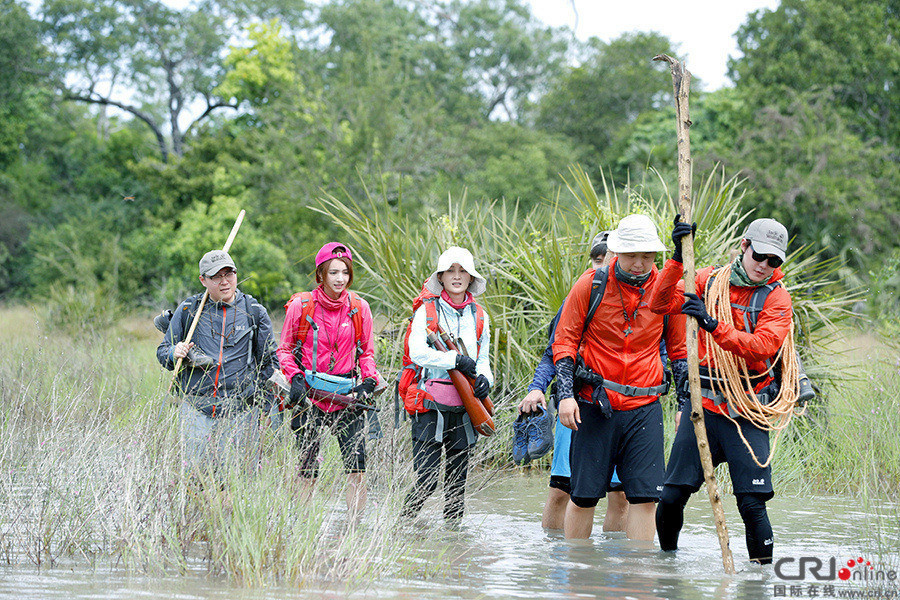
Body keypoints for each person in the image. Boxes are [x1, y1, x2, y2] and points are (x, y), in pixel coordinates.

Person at [650, 217, 794, 564]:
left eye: (774, 261)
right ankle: (667, 570)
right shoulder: (707, 280)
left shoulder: (777, 299)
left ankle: (760, 581)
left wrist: (713, 325)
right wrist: (676, 259)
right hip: (705, 408)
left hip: (748, 410)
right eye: (759, 255)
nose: (764, 266)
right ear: (744, 246)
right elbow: (659, 304)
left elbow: (762, 346)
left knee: (751, 504)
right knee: (671, 497)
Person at [552, 215, 686, 542]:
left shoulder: (668, 291)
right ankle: (578, 574)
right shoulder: (591, 284)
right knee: (583, 496)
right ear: (616, 253)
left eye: (647, 256)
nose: (639, 264)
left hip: (645, 406)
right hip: (595, 404)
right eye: (631, 256)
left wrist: (685, 403)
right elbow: (565, 341)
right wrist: (566, 395)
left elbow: (679, 350)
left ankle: (638, 577)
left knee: (644, 497)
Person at [518, 231, 630, 531]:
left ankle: (613, 570)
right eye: (595, 258)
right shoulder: (578, 297)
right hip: (578, 402)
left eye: (606, 258)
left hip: (625, 406)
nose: (599, 264)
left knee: (620, 496)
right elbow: (552, 352)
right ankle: (559, 562)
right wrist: (537, 387)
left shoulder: (639, 300)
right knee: (562, 491)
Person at [277, 242, 380, 513]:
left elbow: (367, 353)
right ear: (320, 274)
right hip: (309, 397)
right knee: (307, 469)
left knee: (356, 469)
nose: (340, 279)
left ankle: (353, 533)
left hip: (347, 397)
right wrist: (295, 377)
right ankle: (301, 528)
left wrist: (368, 381)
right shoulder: (301, 305)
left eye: (345, 272)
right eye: (333, 272)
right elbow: (284, 350)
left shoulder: (360, 308)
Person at [157, 249, 276, 475]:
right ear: (203, 280)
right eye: (216, 277)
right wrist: (176, 352)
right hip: (196, 408)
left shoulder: (254, 312)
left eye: (229, 274)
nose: (224, 282)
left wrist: (266, 407)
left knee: (238, 480)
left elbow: (269, 363)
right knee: (196, 478)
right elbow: (163, 353)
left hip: (242, 410)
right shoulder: (189, 310)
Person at [401, 246, 493, 525]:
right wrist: (454, 359)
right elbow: (417, 352)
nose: (456, 276)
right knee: (427, 481)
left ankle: (454, 547)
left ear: (470, 277)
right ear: (440, 277)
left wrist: (486, 379)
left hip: (466, 407)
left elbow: (484, 358)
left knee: (456, 489)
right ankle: (402, 527)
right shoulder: (426, 312)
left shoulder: (480, 316)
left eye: (462, 270)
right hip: (429, 405)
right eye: (450, 271)